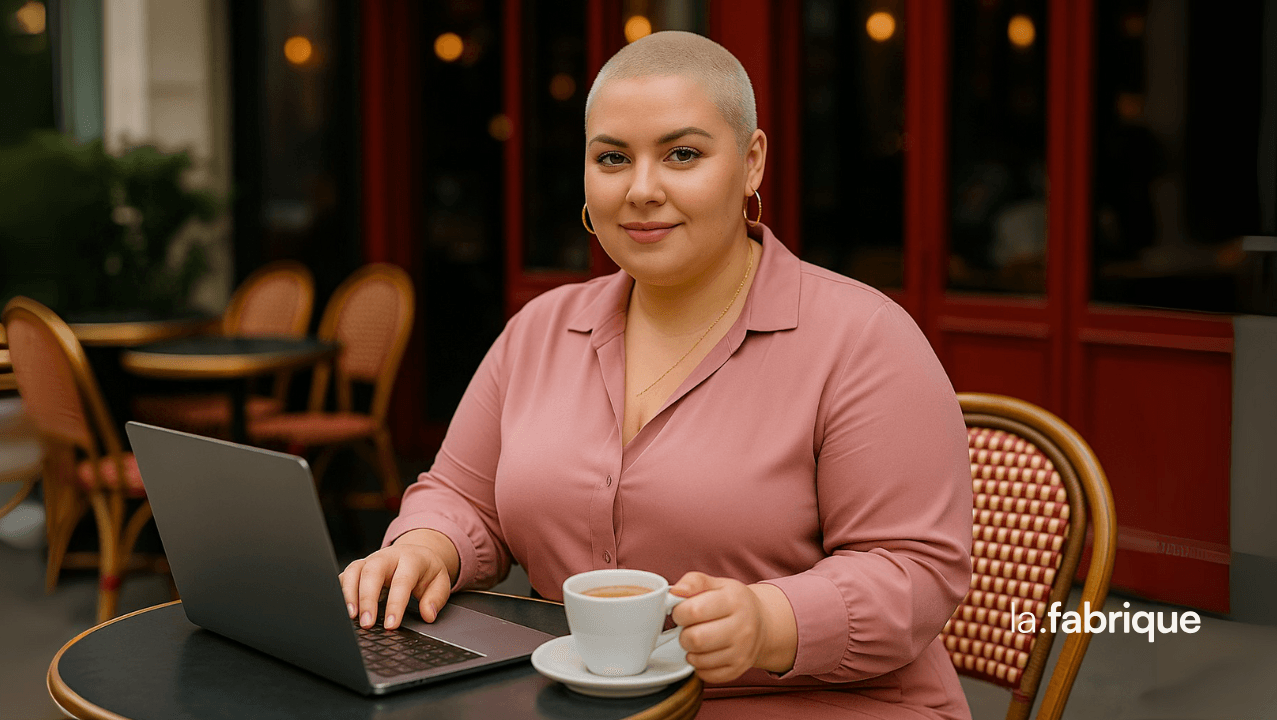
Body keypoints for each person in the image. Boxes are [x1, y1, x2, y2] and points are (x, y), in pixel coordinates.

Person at [340, 31, 973, 719]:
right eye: (612, 158)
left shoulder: (863, 339)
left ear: (752, 162)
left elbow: (915, 570)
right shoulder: (541, 330)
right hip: (582, 705)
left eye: (683, 154)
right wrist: (427, 548)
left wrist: (770, 619)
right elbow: (465, 498)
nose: (642, 190)